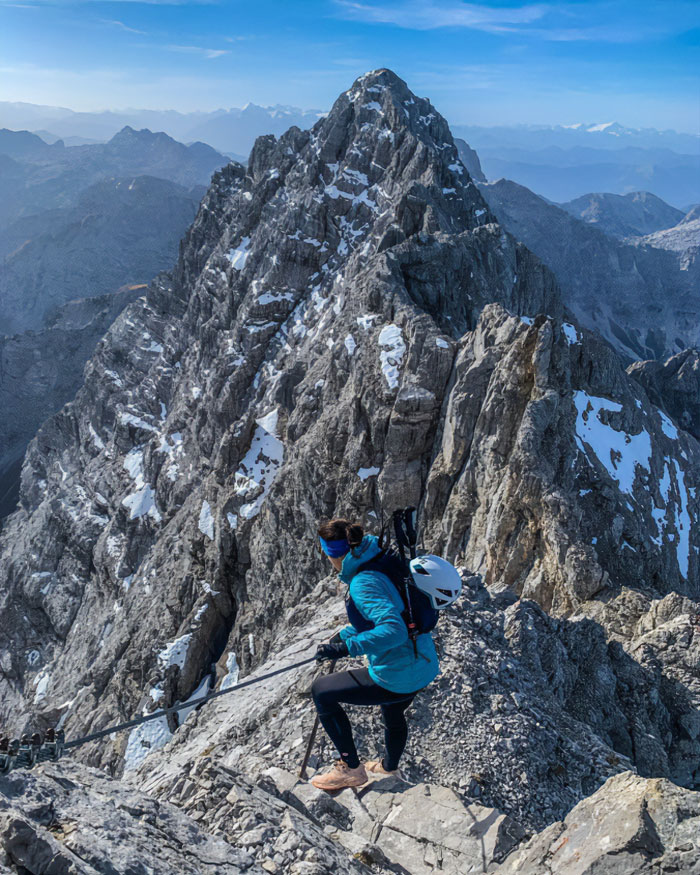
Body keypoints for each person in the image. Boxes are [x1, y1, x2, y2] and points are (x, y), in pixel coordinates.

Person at [309, 518, 440, 791]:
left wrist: (347, 648)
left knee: (322, 691)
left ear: (334, 555)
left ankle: (351, 769)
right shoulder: (381, 559)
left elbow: (394, 631)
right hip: (423, 664)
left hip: (399, 673)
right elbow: (392, 614)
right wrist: (343, 636)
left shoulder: (362, 582)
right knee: (393, 713)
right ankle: (388, 768)